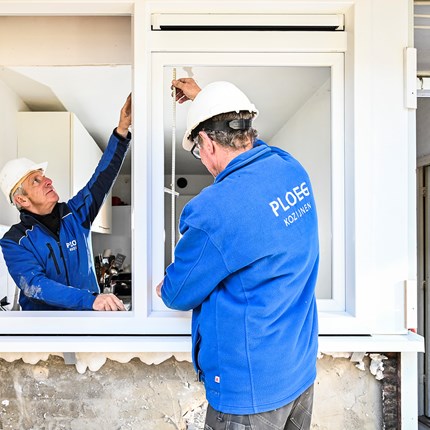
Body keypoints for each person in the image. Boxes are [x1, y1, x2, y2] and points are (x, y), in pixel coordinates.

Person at [157, 78, 319, 429]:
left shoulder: (214, 208)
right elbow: (253, 148)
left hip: (249, 392)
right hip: (299, 372)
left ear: (206, 142)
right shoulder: (290, 168)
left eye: (199, 150)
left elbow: (177, 292)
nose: (203, 161)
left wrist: (162, 286)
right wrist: (208, 102)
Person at [0, 95, 132, 311]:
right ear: (21, 199)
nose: (48, 181)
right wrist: (90, 300)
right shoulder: (14, 241)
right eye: (36, 181)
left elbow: (102, 179)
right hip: (46, 335)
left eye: (44, 176)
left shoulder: (75, 215)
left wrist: (122, 130)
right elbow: (35, 286)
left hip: (85, 326)